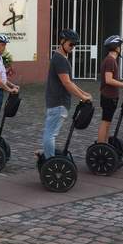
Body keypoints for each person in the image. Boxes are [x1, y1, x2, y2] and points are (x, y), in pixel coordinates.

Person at [40, 30, 92, 161]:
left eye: (74, 45)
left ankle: (48, 157)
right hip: (58, 103)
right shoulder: (60, 59)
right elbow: (66, 83)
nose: (72, 47)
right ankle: (50, 161)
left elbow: (69, 82)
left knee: (50, 133)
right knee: (50, 135)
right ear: (62, 42)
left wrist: (83, 93)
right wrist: (82, 96)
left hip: (57, 103)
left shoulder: (60, 58)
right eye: (71, 44)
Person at [97, 36, 123, 143]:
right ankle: (100, 146)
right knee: (105, 121)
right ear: (116, 48)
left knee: (108, 122)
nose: (120, 48)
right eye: (119, 46)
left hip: (111, 96)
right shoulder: (110, 61)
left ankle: (104, 144)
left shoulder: (111, 60)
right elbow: (109, 80)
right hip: (108, 96)